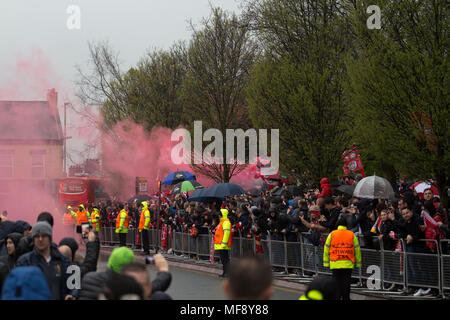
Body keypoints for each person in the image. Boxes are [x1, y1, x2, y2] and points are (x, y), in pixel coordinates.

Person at [78, 248, 171, 300]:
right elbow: (155, 286)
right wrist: (163, 269)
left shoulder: (89, 279)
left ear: (111, 263)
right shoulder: (135, 289)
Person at [15, 221, 74, 300]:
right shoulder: (24, 262)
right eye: (36, 236)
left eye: (44, 236)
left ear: (50, 238)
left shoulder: (64, 261)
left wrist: (72, 295)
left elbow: (74, 285)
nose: (40, 239)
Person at [323, 218, 362, 300]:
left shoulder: (332, 234)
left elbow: (326, 249)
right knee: (346, 283)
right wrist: (358, 263)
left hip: (335, 263)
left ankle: (336, 297)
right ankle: (346, 298)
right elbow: (357, 250)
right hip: (347, 263)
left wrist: (326, 263)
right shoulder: (351, 234)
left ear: (338, 225)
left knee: (336, 282)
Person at [214, 208, 233, 278]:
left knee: (225, 259)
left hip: (223, 245)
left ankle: (227, 273)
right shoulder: (222, 222)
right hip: (220, 244)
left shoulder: (226, 222)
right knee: (223, 260)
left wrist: (224, 243)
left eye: (219, 215)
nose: (218, 216)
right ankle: (225, 272)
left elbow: (226, 233)